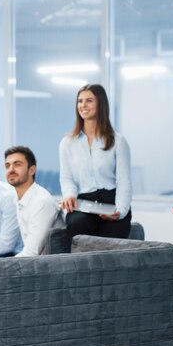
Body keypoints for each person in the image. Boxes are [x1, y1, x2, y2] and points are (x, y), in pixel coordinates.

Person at [59, 83, 132, 240]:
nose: (83, 105)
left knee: (112, 247)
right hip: (84, 202)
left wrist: (120, 211)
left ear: (101, 104)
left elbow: (124, 181)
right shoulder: (67, 143)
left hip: (112, 200)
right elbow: (67, 178)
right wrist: (70, 195)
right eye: (80, 101)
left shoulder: (118, 141)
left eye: (89, 101)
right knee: (78, 225)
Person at [4, 146, 64, 256]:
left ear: (31, 170)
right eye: (7, 166)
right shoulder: (20, 199)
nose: (11, 169)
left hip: (45, 267)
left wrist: (0, 266)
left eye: (17, 164)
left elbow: (31, 253)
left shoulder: (41, 202)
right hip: (32, 263)